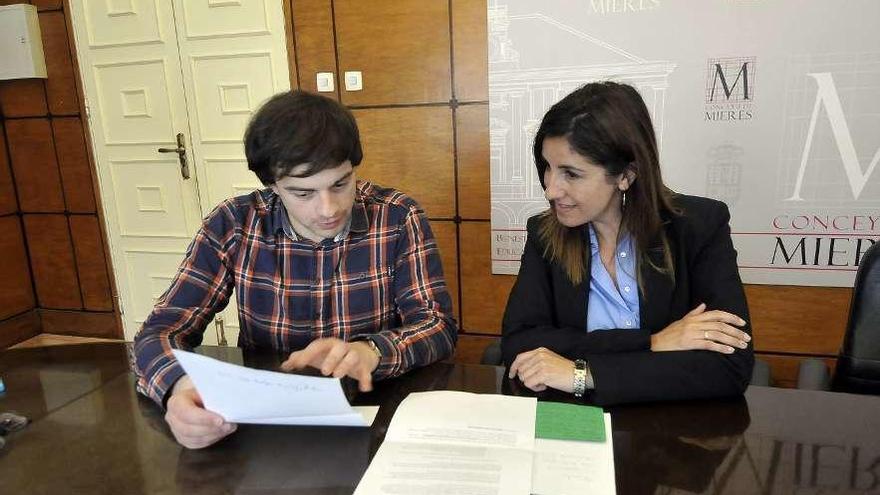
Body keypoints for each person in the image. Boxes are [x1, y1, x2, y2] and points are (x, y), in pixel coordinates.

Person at [133, 90, 457, 448]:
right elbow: (161, 329)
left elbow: (437, 325)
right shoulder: (234, 223)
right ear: (272, 185)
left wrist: (373, 350)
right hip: (266, 421)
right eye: (303, 193)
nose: (328, 209)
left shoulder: (396, 216)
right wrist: (179, 388)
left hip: (374, 410)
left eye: (341, 183)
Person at [502, 81, 753, 406]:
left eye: (571, 174)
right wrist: (653, 342)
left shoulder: (699, 227)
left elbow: (728, 367)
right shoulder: (544, 232)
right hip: (572, 427)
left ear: (626, 176)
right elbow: (519, 343)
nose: (551, 189)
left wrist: (582, 373)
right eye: (548, 168)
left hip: (672, 436)